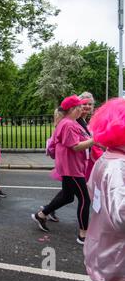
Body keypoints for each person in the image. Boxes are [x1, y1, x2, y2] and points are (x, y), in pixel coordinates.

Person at [31, 95, 94, 245]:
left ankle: (41, 214)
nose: (82, 109)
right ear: (73, 109)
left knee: (67, 197)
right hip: (71, 168)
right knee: (85, 199)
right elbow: (76, 146)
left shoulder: (72, 123)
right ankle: (83, 234)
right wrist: (96, 140)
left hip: (73, 167)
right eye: (80, 107)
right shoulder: (68, 124)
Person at [83, 98, 125, 281]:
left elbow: (94, 192)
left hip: (103, 247)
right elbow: (121, 215)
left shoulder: (107, 158)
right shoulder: (119, 167)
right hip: (116, 255)